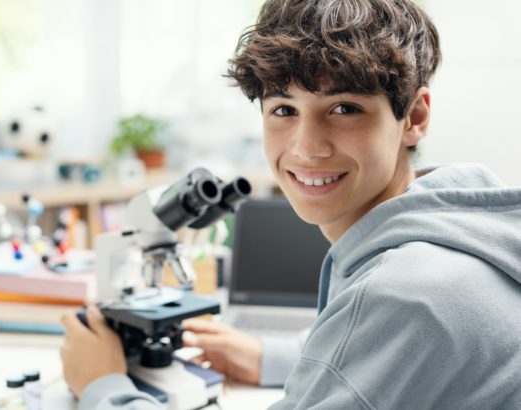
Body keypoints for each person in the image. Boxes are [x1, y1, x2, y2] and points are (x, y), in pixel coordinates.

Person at [61, 0, 521, 408]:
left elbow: (388, 324)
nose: (306, 148)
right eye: (284, 110)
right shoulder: (462, 226)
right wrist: (270, 356)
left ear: (414, 117)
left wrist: (103, 386)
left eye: (344, 108)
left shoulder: (401, 293)